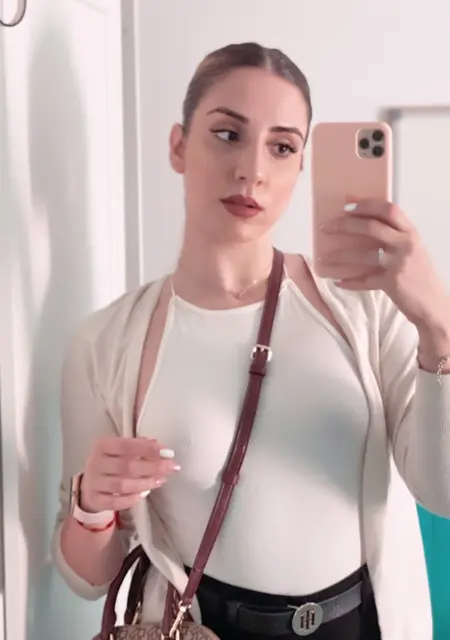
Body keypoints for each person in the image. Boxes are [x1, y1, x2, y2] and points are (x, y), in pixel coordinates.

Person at [52, 42, 450, 640]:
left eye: (281, 147)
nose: (252, 170)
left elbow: (443, 494)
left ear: (300, 166)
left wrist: (439, 325)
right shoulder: (107, 341)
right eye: (228, 134)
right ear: (178, 146)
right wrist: (92, 507)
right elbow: (87, 578)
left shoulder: (366, 308)